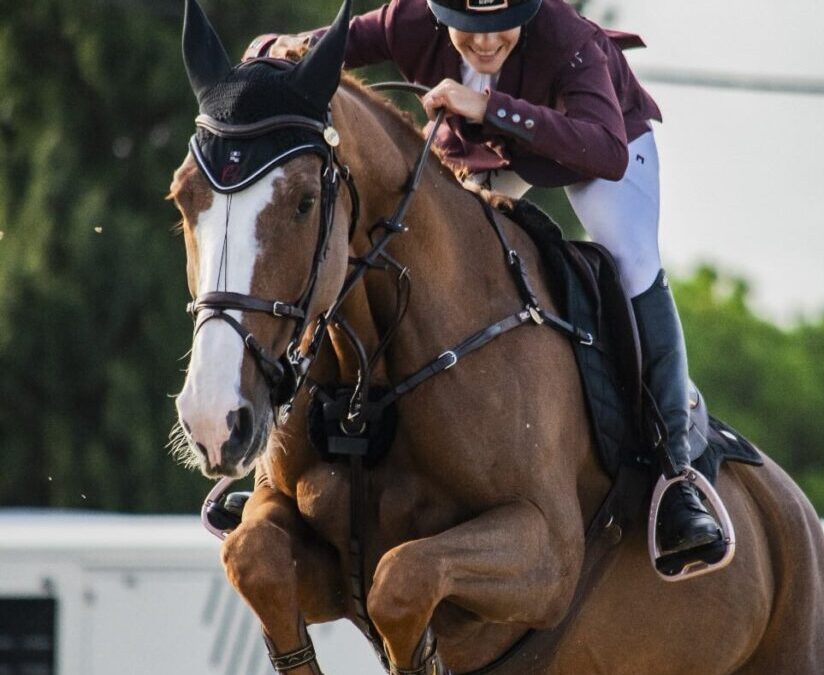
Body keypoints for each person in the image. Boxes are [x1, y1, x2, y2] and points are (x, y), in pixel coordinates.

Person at [244, 0, 722, 559]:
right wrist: (271, 53)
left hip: (590, 148)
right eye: (470, 31)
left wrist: (490, 106)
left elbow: (606, 150)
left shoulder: (571, 41)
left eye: (501, 28)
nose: (487, 43)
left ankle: (676, 472)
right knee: (412, 251)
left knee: (633, 261)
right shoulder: (408, 21)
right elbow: (321, 46)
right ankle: (275, 462)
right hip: (482, 148)